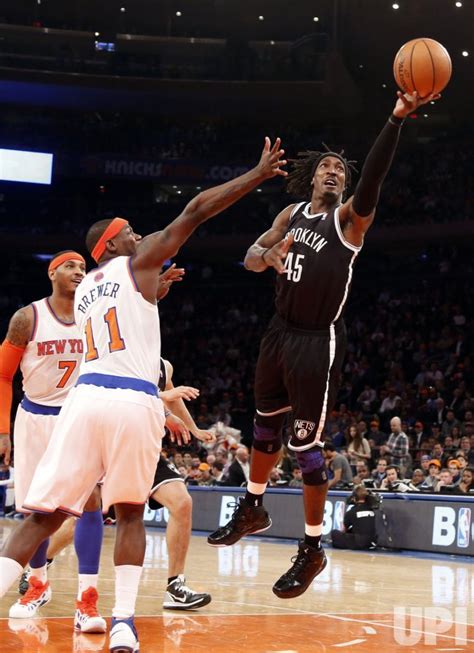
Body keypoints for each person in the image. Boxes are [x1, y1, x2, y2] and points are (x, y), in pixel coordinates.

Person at [0, 138, 286, 652]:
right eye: (130, 232)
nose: (139, 235)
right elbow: (196, 210)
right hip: (132, 401)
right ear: (110, 244)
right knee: (130, 512)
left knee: (41, 515)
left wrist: (156, 294)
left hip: (82, 401)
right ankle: (124, 624)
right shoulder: (135, 263)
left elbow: (127, 314)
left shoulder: (88, 288)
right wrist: (257, 175)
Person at [206, 88, 438, 600]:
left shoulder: (349, 221)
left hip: (316, 340)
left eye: (341, 170)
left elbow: (373, 176)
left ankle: (312, 549)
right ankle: (254, 505)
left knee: (304, 446)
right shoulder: (290, 215)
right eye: (326, 167)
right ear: (312, 176)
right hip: (277, 332)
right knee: (264, 425)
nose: (334, 172)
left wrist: (395, 120)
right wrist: (265, 258)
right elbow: (248, 256)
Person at [0, 251, 106, 632]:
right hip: (34, 419)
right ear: (52, 272)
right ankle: (37, 584)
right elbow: (2, 376)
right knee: (36, 511)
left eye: (82, 267)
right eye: (70, 266)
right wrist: (2, 430)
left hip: (78, 416)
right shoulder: (27, 317)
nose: (79, 272)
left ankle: (87, 601)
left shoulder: (95, 315)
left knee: (92, 501)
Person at [148, 357, 214, 610]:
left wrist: (193, 428)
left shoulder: (164, 366)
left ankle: (175, 586)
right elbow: (123, 391)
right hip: (115, 447)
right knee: (79, 520)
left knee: (182, 503)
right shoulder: (119, 352)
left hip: (149, 450)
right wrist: (164, 403)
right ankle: (39, 569)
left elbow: (173, 398)